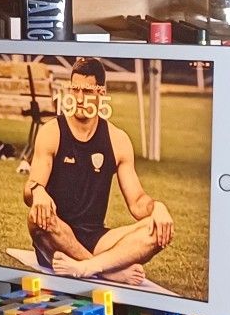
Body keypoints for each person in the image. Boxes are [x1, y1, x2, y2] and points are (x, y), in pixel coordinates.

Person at [24, 58, 173, 285]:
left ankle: (88, 267)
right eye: (75, 90)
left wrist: (159, 208)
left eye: (87, 91)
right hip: (56, 234)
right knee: (37, 220)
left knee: (157, 230)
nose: (80, 98)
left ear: (101, 93)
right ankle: (108, 272)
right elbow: (30, 188)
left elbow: (137, 202)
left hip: (97, 238)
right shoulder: (52, 132)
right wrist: (38, 192)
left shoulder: (118, 140)